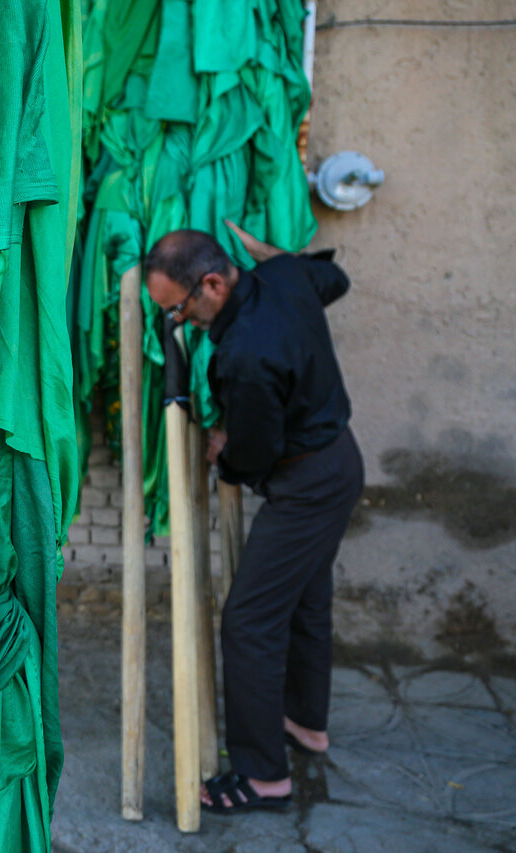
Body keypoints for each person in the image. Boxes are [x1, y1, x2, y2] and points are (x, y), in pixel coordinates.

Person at [144, 222, 364, 814]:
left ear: (212, 283)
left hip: (307, 485)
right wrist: (281, 257)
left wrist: (224, 449)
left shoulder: (243, 354)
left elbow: (252, 457)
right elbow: (334, 279)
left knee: (248, 621)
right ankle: (305, 724)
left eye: (181, 311)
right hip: (339, 462)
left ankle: (264, 777)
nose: (181, 326)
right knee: (306, 598)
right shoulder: (287, 276)